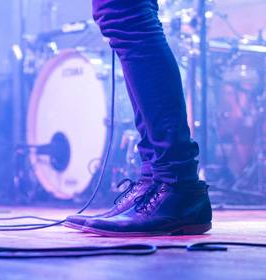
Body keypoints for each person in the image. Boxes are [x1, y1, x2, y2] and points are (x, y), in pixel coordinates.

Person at [65, 0, 212, 236]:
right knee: (122, 16)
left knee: (126, 15)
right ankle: (155, 180)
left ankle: (176, 183)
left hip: (177, 183)